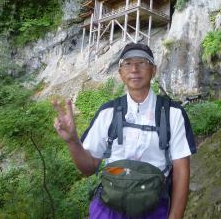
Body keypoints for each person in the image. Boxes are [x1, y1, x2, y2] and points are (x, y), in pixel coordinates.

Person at [53, 42, 196, 219]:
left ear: (154, 70)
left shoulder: (173, 114)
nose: (134, 69)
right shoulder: (108, 113)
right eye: (127, 63)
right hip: (108, 209)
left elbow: (181, 171)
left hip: (153, 208)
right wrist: (72, 141)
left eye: (142, 62)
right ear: (120, 73)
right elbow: (88, 168)